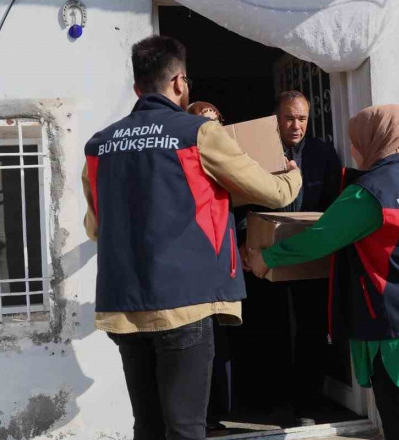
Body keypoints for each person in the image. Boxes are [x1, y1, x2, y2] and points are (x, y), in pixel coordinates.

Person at [82, 35, 302, 440]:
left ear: (137, 88)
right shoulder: (198, 134)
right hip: (185, 303)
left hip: (123, 305)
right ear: (180, 82)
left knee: (147, 426)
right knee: (185, 428)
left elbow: (95, 226)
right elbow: (270, 192)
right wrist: (292, 175)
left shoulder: (99, 146)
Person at [248, 104, 399, 440]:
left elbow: (319, 239)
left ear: (374, 140)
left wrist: (268, 258)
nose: (351, 148)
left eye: (355, 140)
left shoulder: (369, 195)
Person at [232, 90, 341, 426]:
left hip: (309, 254)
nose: (296, 125)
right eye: (289, 118)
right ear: (276, 119)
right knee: (268, 325)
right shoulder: (255, 152)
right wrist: (241, 244)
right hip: (264, 255)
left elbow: (336, 203)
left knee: (311, 326)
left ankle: (308, 401)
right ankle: (270, 398)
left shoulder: (323, 153)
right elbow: (239, 203)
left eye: (302, 118)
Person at [186, 100, 232, 434]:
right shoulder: (178, 163)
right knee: (195, 348)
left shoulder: (230, 160)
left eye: (215, 123)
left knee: (220, 346)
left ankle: (217, 413)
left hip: (225, 268)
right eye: (204, 123)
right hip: (189, 273)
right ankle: (199, 420)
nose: (210, 130)